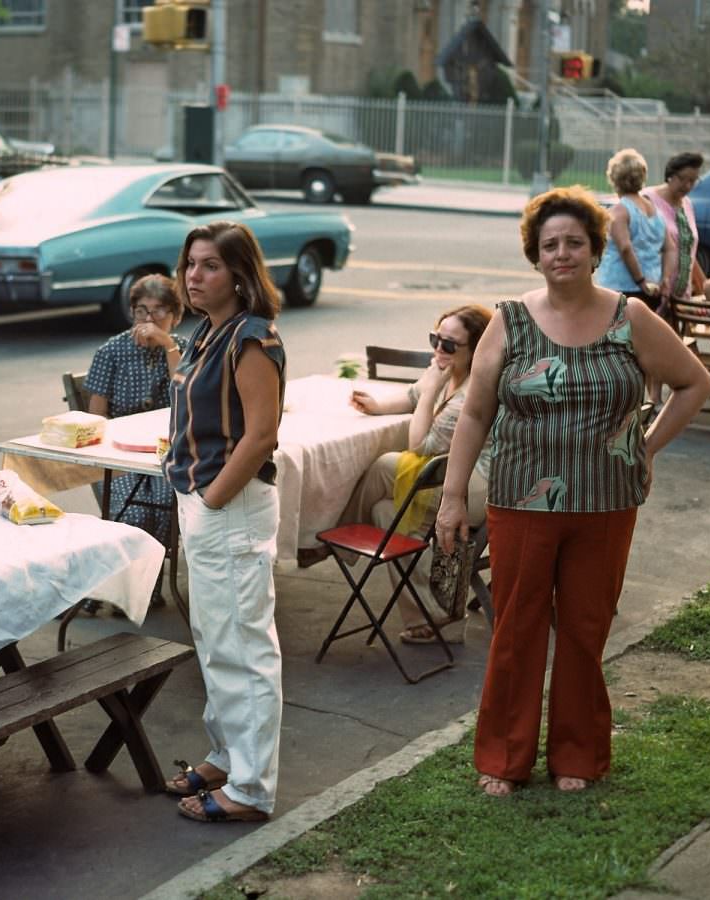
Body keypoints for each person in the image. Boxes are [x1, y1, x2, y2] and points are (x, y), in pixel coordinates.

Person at [434, 186, 710, 798]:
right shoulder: (508, 321)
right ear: (535, 254)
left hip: (607, 504)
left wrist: (642, 445)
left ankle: (577, 757)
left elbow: (695, 383)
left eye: (575, 243)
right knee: (516, 628)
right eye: (550, 244)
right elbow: (476, 413)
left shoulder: (630, 317)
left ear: (594, 251)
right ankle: (504, 760)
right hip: (519, 500)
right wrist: (453, 497)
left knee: (586, 631)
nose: (562, 253)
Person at [162, 221, 286, 824]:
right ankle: (226, 755)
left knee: (243, 647)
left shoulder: (251, 340)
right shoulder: (205, 334)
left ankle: (252, 788)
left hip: (229, 508)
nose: (193, 276)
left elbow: (260, 434)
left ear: (239, 275)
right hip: (206, 502)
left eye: (209, 265)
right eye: (189, 264)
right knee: (215, 642)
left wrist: (211, 500)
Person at [308, 305, 493, 646]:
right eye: (435, 339)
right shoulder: (443, 369)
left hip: (473, 487)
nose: (439, 349)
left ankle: (331, 544)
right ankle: (437, 619)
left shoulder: (467, 393)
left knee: (384, 465)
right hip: (442, 477)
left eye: (450, 345)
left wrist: (432, 389)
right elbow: (411, 396)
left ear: (475, 349)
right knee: (384, 514)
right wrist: (377, 406)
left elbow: (420, 444)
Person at [84, 274, 187, 545]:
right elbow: (96, 417)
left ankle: (151, 574)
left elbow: (187, 394)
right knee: (136, 514)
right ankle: (138, 578)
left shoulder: (182, 348)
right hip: (120, 455)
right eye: (142, 311)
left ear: (175, 316)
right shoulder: (111, 351)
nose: (149, 321)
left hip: (168, 451)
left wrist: (168, 345)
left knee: (169, 504)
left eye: (159, 312)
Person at [596, 148, 670, 310]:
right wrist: (665, 279)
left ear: (614, 178)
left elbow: (625, 248)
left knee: (618, 334)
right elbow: (669, 248)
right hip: (653, 287)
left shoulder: (620, 211)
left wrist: (640, 280)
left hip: (622, 287)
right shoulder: (654, 210)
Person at [646, 151, 705, 311]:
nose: (687, 186)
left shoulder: (687, 204)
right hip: (654, 291)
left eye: (692, 181)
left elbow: (687, 249)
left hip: (680, 296)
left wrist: (703, 284)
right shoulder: (648, 200)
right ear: (670, 174)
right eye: (682, 179)